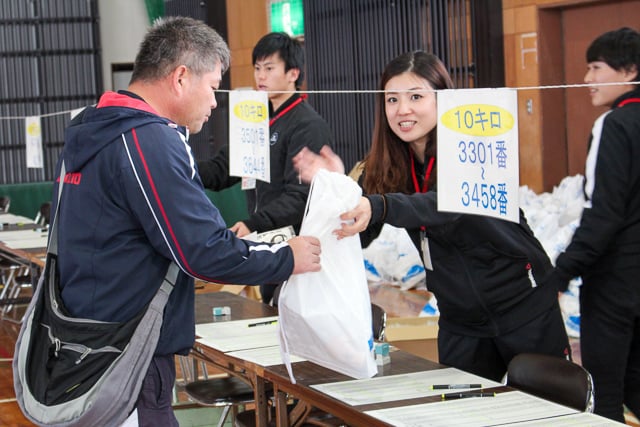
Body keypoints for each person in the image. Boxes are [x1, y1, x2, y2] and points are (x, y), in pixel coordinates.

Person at [54, 17, 321, 426]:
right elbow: (204, 251)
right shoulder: (148, 139)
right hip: (129, 352)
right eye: (213, 87)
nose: (216, 102)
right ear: (181, 77)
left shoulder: (94, 127)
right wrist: (286, 257)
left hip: (86, 341)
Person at [293, 51, 570, 382]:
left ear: (442, 99)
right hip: (460, 319)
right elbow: (359, 231)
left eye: (415, 97)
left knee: (546, 413)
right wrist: (337, 185)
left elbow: (447, 205)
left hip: (523, 304)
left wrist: (380, 205)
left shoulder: (472, 148)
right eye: (392, 99)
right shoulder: (386, 165)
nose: (402, 110)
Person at [197, 32, 333, 305]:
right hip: (267, 242)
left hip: (297, 244)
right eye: (257, 68)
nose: (261, 76)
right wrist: (178, 166)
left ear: (293, 73)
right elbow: (223, 169)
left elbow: (300, 196)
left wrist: (252, 224)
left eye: (269, 68)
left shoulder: (307, 124)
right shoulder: (257, 120)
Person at [546, 27, 640, 422]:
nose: (586, 79)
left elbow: (603, 215)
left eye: (595, 67)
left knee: (605, 396)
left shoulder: (613, 125)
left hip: (615, 283)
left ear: (629, 70)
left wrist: (562, 271)